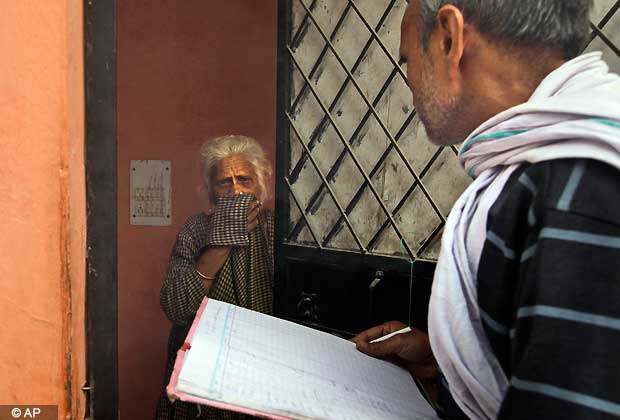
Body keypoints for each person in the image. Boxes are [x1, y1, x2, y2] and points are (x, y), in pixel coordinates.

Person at [353, 1, 620, 419]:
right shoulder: (552, 168)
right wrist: (446, 364)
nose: (409, 80)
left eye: (409, 59)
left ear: (448, 38)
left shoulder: (580, 191)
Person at [156, 135, 274, 420]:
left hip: (266, 371)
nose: (236, 191)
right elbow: (176, 307)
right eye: (225, 183)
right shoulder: (196, 229)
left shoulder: (279, 231)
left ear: (261, 186)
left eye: (245, 180)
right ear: (211, 193)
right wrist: (220, 242)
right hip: (203, 375)